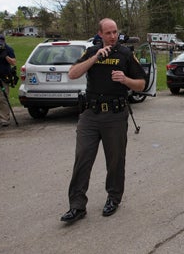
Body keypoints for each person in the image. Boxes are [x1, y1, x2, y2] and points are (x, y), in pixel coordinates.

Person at [60, 18, 146, 224]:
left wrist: (125, 80)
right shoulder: (91, 52)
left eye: (115, 32)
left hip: (115, 115)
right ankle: (77, 206)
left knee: (115, 159)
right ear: (100, 34)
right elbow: (73, 73)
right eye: (108, 33)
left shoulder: (125, 54)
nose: (113, 36)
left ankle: (113, 198)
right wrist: (95, 57)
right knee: (82, 158)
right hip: (90, 114)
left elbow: (141, 84)